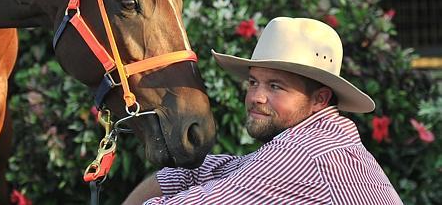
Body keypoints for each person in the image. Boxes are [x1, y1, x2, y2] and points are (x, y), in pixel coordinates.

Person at [124, 17, 403, 204]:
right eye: (254, 82)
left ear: (320, 99)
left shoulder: (306, 152)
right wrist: (176, 176)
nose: (256, 97)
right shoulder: (328, 143)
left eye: (276, 87)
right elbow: (210, 171)